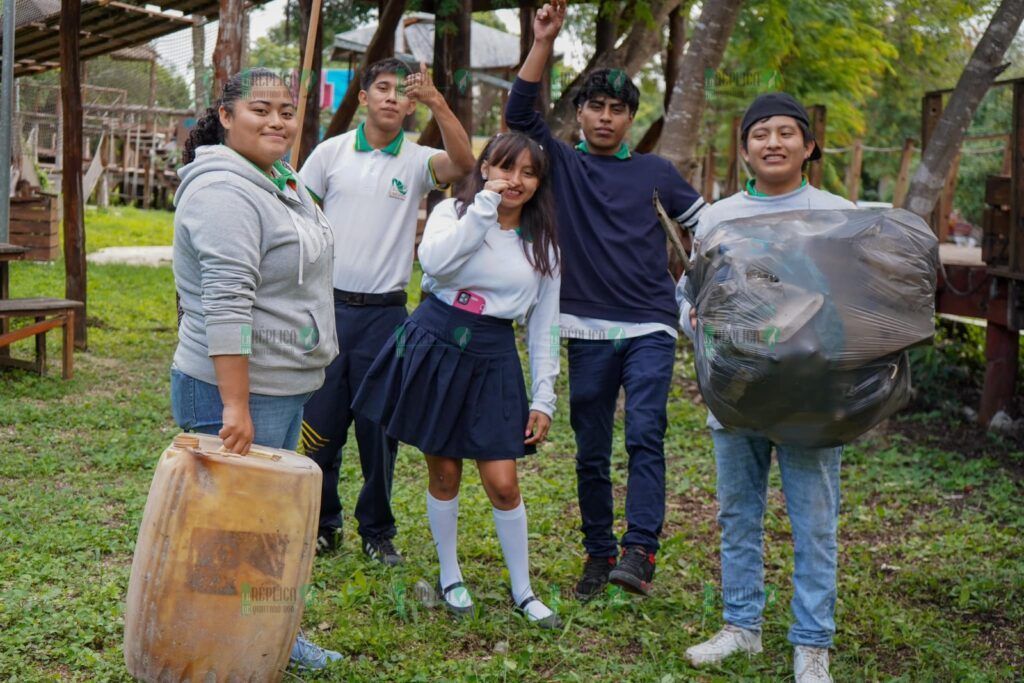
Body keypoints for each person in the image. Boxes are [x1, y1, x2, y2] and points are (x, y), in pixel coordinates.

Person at [507, 0, 706, 600]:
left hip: (650, 325)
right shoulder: (562, 164)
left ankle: (640, 551)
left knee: (647, 433)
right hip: (586, 330)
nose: (605, 117)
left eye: (618, 109)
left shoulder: (656, 172)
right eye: (595, 106)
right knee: (591, 451)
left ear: (629, 119)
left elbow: (712, 230)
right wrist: (543, 41)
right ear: (581, 113)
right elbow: (519, 113)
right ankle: (599, 555)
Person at [351, 132, 562, 628]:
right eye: (506, 167)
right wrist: (484, 208)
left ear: (539, 184)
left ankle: (523, 589)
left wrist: (545, 396)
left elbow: (544, 325)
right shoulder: (454, 213)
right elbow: (438, 266)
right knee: (444, 472)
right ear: (484, 167)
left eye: (529, 173)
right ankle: (451, 575)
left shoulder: (544, 245)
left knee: (503, 483)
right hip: (436, 341)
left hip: (492, 354)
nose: (516, 180)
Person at [678, 92, 855, 683]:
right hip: (738, 392)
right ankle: (741, 627)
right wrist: (696, 321)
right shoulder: (718, 217)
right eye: (761, 134)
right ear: (746, 148)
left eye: (786, 133)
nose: (773, 143)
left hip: (812, 394)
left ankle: (811, 644)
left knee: (813, 519)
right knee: (738, 513)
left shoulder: (839, 212)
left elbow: (857, 300)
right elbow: (689, 294)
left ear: (808, 146)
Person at [171, 68, 342, 671]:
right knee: (230, 528)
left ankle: (257, 635)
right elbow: (226, 303)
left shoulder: (278, 178)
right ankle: (216, 644)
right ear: (226, 115)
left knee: (258, 523)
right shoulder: (224, 192)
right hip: (239, 390)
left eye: (288, 110)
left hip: (282, 382)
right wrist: (234, 406)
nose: (277, 121)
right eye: (261, 109)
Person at [298, 58, 475, 565]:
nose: (393, 98)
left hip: (387, 316)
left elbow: (463, 165)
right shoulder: (329, 155)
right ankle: (322, 523)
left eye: (404, 92)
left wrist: (440, 101)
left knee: (381, 432)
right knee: (318, 427)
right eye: (383, 88)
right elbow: (299, 219)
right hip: (327, 311)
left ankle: (377, 531)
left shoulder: (417, 161)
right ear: (363, 97)